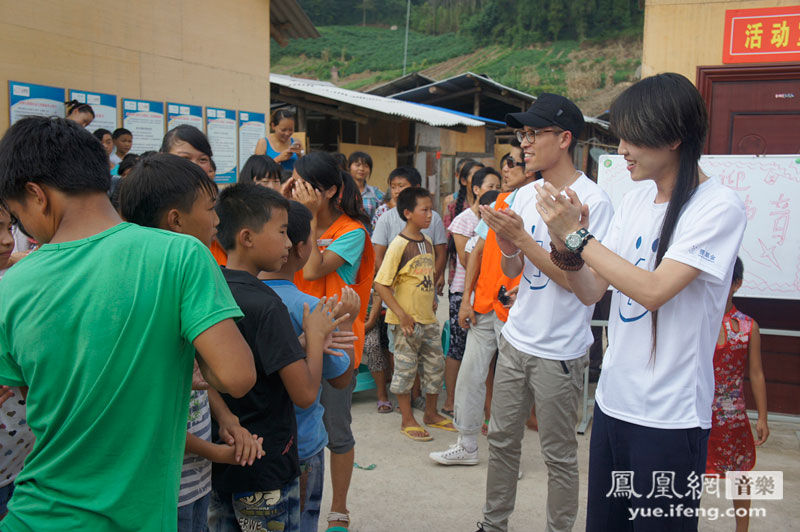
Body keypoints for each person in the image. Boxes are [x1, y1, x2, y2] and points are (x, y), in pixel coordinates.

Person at [0, 116, 256, 531]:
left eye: (17, 216)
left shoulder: (11, 286)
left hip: (35, 514)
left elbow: (38, 395)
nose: (24, 227)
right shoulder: (181, 255)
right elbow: (237, 377)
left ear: (36, 194)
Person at [535, 73, 747, 531]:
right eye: (620, 137)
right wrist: (564, 245)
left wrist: (578, 235)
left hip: (669, 418)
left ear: (673, 138)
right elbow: (592, 291)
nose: (623, 149)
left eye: (633, 138)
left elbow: (653, 291)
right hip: (613, 406)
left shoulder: (717, 206)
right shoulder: (633, 202)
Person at [473, 93, 614, 532]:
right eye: (523, 134)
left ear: (565, 139)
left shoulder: (591, 203)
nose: (525, 144)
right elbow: (515, 269)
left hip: (560, 351)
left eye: (535, 134)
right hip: (515, 339)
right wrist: (508, 245)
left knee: (558, 456)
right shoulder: (522, 196)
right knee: (501, 442)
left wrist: (525, 242)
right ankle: (493, 524)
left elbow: (581, 284)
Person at [118, 154, 267, 532]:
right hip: (172, 479)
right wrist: (216, 450)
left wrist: (225, 416)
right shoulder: (190, 260)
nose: (217, 219)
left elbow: (195, 370)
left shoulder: (120, 270)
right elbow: (235, 376)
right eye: (210, 209)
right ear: (175, 220)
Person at [210, 183, 347, 531]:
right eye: (282, 232)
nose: (289, 243)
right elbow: (303, 393)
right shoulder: (268, 306)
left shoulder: (212, 287)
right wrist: (314, 337)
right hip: (267, 464)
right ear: (247, 237)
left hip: (222, 458)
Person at [429, 141, 531, 468]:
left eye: (514, 163)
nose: (506, 169)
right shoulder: (498, 202)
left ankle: (507, 459)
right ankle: (467, 443)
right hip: (484, 305)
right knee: (471, 375)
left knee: (509, 386)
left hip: (518, 308)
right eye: (506, 164)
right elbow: (477, 251)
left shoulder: (540, 203)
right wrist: (467, 300)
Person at [287, 152, 374, 532]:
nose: (298, 190)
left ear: (331, 191)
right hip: (296, 334)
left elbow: (311, 268)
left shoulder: (352, 232)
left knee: (336, 429)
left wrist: (303, 217)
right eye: (294, 182)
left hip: (336, 342)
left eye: (306, 186)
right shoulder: (288, 221)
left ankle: (338, 507)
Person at [261, 200, 360, 532]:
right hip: (301, 444)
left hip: (243, 443)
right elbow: (341, 379)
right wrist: (345, 323)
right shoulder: (312, 309)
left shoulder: (231, 294)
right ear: (302, 250)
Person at [374, 187, 454, 441]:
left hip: (427, 320)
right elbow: (381, 284)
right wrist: (402, 315)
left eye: (431, 209)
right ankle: (407, 419)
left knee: (434, 367)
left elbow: (426, 277)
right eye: (425, 210)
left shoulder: (427, 242)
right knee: (406, 371)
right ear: (408, 213)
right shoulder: (398, 245)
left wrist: (430, 298)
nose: (430, 215)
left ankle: (430, 414)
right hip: (406, 323)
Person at [707, 257, 768, 532]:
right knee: (687, 474)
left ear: (736, 284)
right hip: (697, 413)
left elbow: (756, 374)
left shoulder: (748, 327)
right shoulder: (698, 318)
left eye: (725, 280)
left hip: (733, 420)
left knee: (740, 477)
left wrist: (763, 418)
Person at [442, 168, 502, 417]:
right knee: (458, 348)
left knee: (488, 357)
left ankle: (487, 408)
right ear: (476, 189)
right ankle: (451, 400)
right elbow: (468, 262)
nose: (495, 190)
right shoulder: (465, 219)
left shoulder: (499, 216)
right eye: (490, 185)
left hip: (489, 294)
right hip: (462, 292)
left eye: (498, 185)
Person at [372, 166, 447, 294]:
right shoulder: (385, 218)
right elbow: (378, 256)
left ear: (416, 187)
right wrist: (393, 284)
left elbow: (440, 254)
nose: (396, 191)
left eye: (401, 186)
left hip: (424, 290)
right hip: (394, 290)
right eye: (393, 187)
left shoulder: (433, 218)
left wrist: (430, 282)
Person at [348, 151, 383, 227]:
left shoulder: (374, 192)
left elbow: (388, 204)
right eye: (357, 165)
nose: (361, 169)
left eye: (366, 166)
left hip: (368, 235)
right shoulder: (342, 190)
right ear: (349, 167)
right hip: (346, 235)